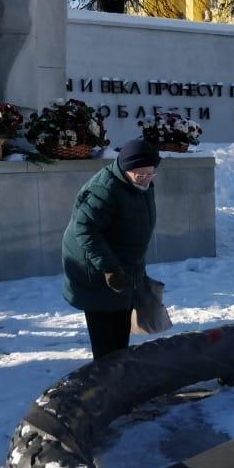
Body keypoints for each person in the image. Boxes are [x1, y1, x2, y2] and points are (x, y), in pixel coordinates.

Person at [61, 139, 160, 360]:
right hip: (95, 268)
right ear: (125, 170)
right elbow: (85, 229)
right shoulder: (104, 190)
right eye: (139, 175)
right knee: (105, 329)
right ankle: (106, 379)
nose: (145, 180)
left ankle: (118, 369)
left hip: (122, 263)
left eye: (149, 174)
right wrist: (110, 268)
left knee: (120, 322)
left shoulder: (141, 184)